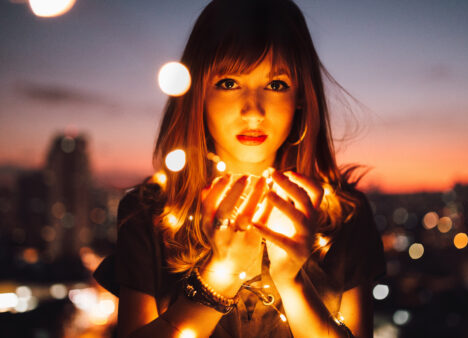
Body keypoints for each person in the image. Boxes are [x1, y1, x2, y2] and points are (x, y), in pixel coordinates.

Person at [93, 0, 385, 337]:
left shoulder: (343, 216)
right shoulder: (150, 214)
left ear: (302, 95)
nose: (253, 112)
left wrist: (292, 282)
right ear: (197, 93)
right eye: (229, 83)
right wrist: (220, 276)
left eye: (276, 85)